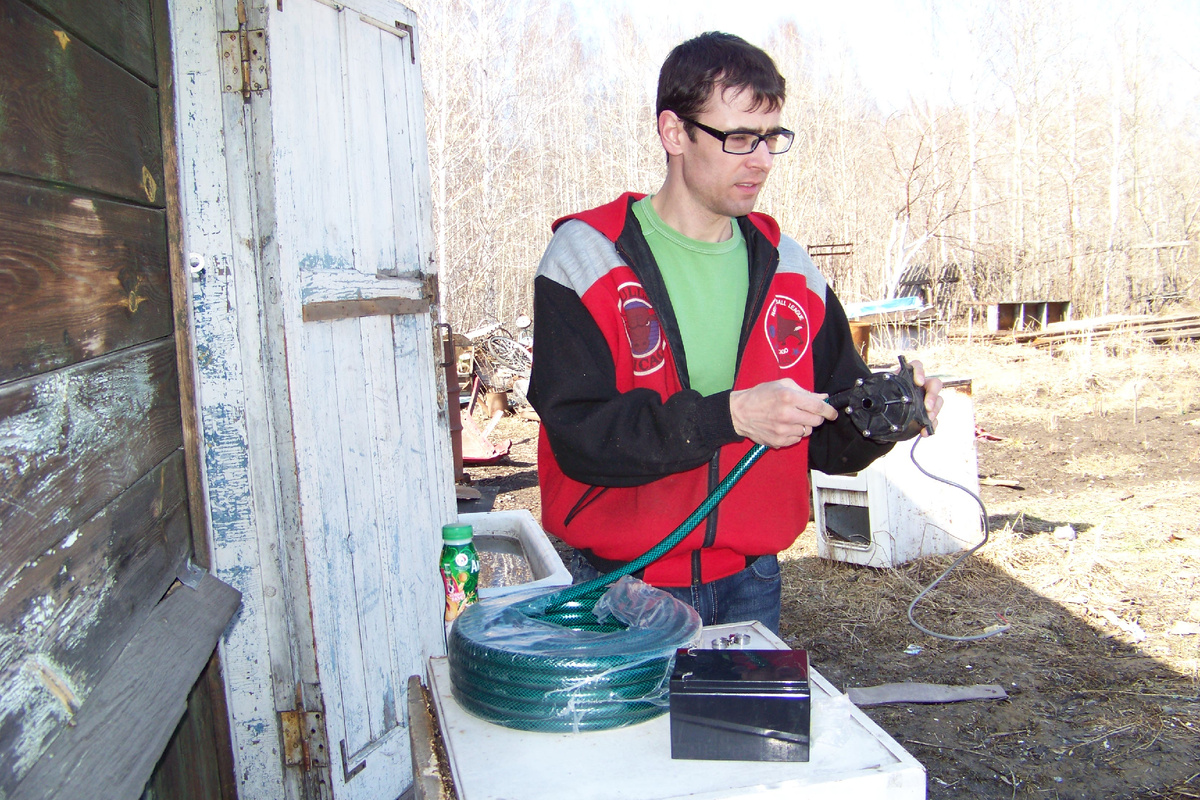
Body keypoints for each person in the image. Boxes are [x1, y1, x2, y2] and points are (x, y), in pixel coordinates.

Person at [527, 31, 942, 634]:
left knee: (739, 733)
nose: (763, 161)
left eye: (772, 138)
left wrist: (886, 418)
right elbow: (583, 438)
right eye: (739, 138)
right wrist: (733, 415)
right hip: (619, 588)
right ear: (674, 133)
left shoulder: (792, 271)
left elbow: (826, 437)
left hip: (754, 582)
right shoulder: (585, 259)